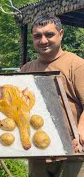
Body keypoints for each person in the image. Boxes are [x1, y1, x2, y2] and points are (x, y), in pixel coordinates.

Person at [20, 15, 84, 177]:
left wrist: (81, 131)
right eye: (37, 36)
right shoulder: (27, 69)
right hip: (38, 153)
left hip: (72, 152)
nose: (43, 40)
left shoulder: (76, 65)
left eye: (49, 34)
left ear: (61, 34)